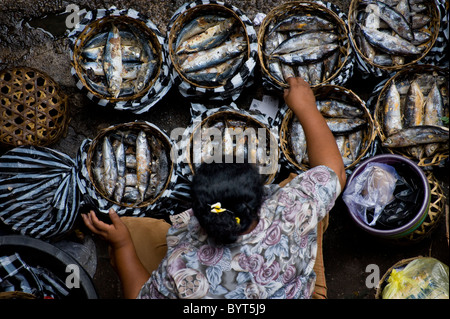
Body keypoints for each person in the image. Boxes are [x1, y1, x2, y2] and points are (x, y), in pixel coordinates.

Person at [82, 77, 346, 299]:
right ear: (259, 200)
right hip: (296, 287)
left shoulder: (182, 269)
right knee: (303, 185)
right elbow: (334, 171)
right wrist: (305, 106)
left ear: (197, 215)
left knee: (128, 231)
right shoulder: (292, 210)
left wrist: (123, 245)